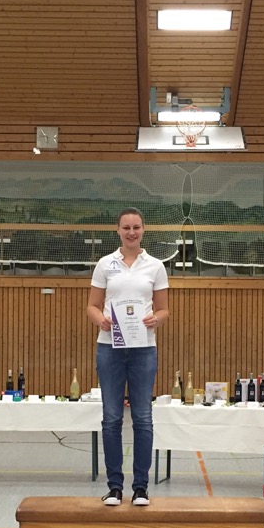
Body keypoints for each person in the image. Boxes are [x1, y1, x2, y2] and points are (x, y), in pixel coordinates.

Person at [87, 207, 169, 506]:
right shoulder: (105, 264)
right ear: (118, 231)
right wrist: (101, 320)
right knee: (111, 418)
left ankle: (141, 487)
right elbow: (92, 306)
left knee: (143, 417)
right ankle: (114, 487)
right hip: (109, 348)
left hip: (143, 349)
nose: (131, 232)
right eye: (126, 227)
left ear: (143, 230)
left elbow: (164, 309)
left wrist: (156, 319)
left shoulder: (155, 266)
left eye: (136, 227)